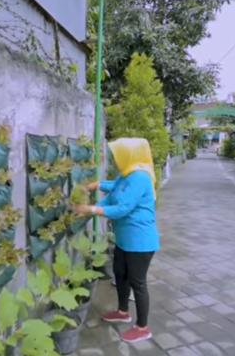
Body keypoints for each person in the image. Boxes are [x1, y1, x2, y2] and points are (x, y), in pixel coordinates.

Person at [72, 137, 160, 343]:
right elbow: (114, 194)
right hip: (124, 239)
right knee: (120, 274)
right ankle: (122, 311)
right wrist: (96, 192)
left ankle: (143, 327)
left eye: (118, 155)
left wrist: (91, 209)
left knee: (138, 283)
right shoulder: (127, 174)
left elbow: (122, 208)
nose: (115, 159)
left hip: (140, 242)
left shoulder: (140, 177)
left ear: (129, 155)